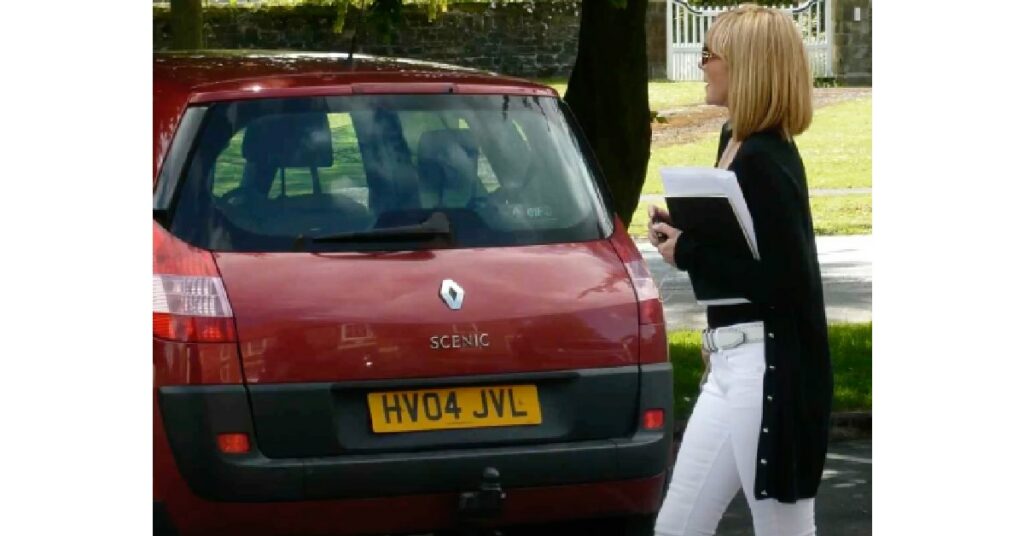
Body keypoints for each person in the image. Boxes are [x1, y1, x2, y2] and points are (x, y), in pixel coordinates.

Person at [649, 4, 833, 535]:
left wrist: (690, 251)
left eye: (711, 54)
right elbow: (748, 253)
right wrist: (688, 234)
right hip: (732, 363)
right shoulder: (736, 143)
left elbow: (787, 285)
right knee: (679, 525)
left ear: (747, 65)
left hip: (766, 369)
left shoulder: (766, 159)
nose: (703, 64)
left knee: (783, 528)